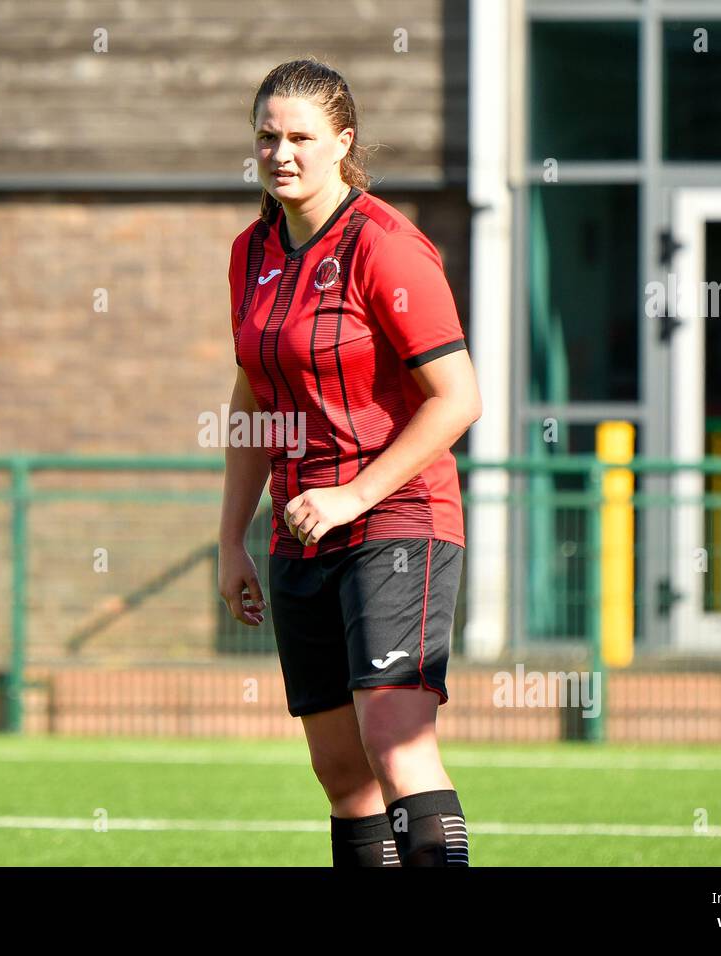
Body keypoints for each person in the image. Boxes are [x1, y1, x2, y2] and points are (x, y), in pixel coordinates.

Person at [218, 58, 482, 867]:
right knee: (342, 774)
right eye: (268, 137)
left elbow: (459, 399)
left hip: (398, 519)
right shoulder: (250, 252)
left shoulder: (389, 248)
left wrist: (353, 495)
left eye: (301, 137)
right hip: (301, 535)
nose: (281, 153)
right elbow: (253, 400)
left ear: (344, 143)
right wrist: (231, 539)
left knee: (395, 743)